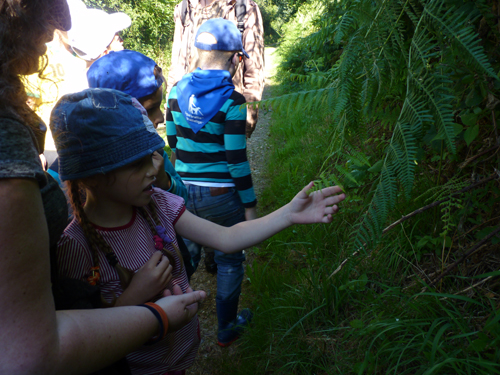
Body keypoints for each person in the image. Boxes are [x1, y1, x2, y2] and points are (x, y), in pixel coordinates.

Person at [51, 87, 344, 373]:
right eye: (137, 163)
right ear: (92, 177)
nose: (154, 169)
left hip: (181, 355)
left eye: (153, 155)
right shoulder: (76, 246)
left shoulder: (159, 204)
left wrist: (289, 215)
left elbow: (226, 238)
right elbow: (83, 337)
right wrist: (138, 297)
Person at [0, 1, 206, 374]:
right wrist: (154, 313)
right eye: (138, 160)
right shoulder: (78, 242)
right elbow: (32, 350)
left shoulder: (152, 203)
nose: (61, 22)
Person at [48, 49, 195, 280]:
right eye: (149, 110)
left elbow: (182, 197)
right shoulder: (63, 186)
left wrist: (161, 179)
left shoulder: (152, 155)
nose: (159, 119)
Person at [166, 18, 258, 347]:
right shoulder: (233, 101)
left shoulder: (175, 91)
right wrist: (250, 207)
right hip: (221, 196)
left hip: (184, 195)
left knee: (185, 257)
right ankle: (227, 327)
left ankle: (173, 320)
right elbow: (236, 161)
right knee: (230, 257)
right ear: (235, 58)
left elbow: (174, 143)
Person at [25, 0, 131, 166]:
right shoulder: (38, 58)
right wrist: (32, 149)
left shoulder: (82, 63)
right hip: (51, 151)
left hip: (82, 149)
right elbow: (26, 106)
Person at [166, 0, 264, 139]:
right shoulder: (184, 8)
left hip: (226, 116)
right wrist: (170, 112)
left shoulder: (244, 7)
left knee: (229, 158)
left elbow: (254, 72)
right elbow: (177, 62)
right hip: (185, 117)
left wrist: (244, 123)